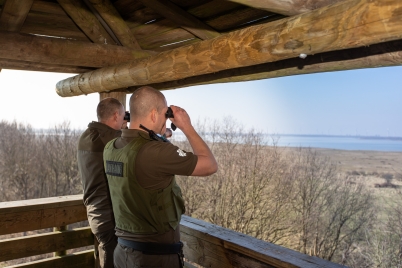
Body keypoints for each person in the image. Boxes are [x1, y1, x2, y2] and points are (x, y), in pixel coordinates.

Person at [103, 86, 218, 268]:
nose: (166, 119)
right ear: (154, 114)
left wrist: (158, 133)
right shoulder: (155, 152)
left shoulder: (111, 147)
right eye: (165, 114)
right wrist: (186, 126)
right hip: (153, 259)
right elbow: (210, 165)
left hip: (123, 254)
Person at [77, 97, 127, 268]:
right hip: (108, 216)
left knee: (105, 254)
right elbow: (131, 141)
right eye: (121, 116)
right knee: (111, 260)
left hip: (95, 212)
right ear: (115, 115)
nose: (123, 120)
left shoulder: (87, 136)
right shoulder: (110, 140)